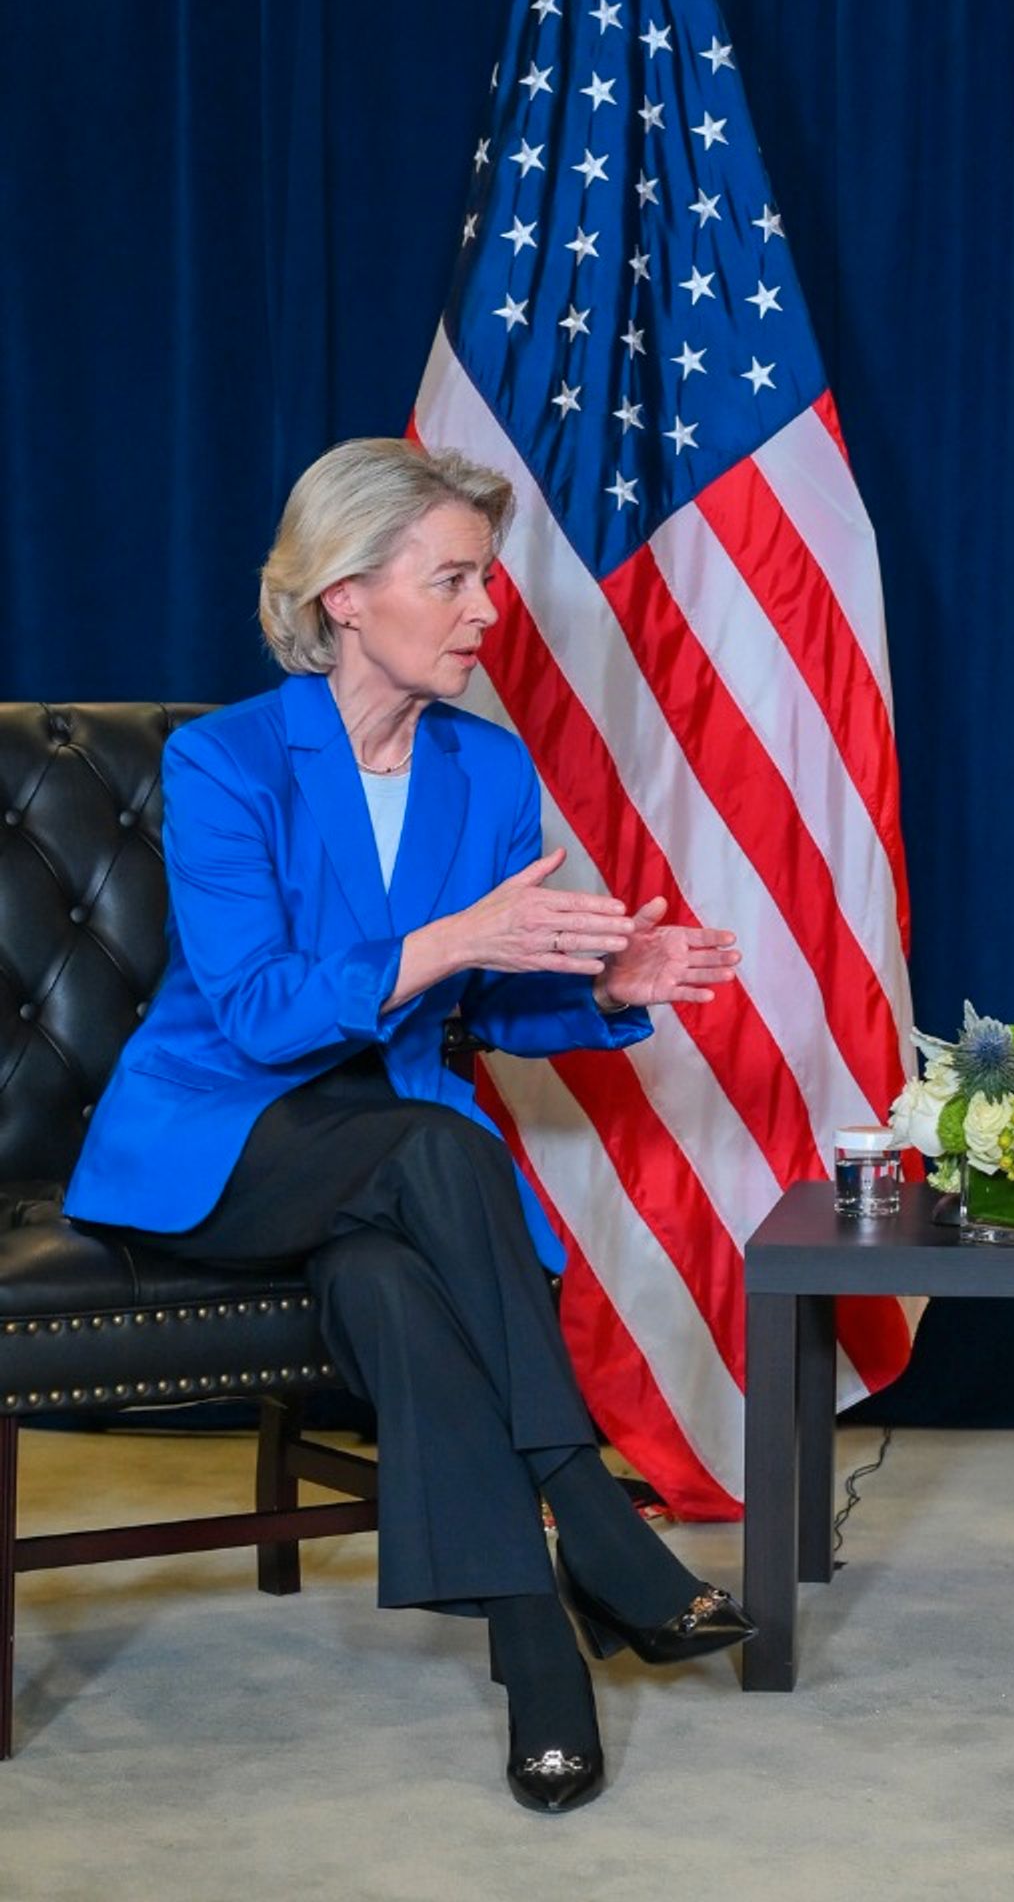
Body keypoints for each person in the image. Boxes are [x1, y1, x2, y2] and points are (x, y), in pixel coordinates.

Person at [66, 436, 752, 1814]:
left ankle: (539, 1659)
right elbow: (260, 1014)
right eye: (453, 580)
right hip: (225, 1141)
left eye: (485, 579)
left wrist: (606, 988)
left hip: (387, 1166)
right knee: (443, 1149)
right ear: (345, 594)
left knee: (392, 1284)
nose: (487, 612)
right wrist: (453, 941)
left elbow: (484, 1003)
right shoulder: (226, 762)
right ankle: (593, 1514)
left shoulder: (484, 770)